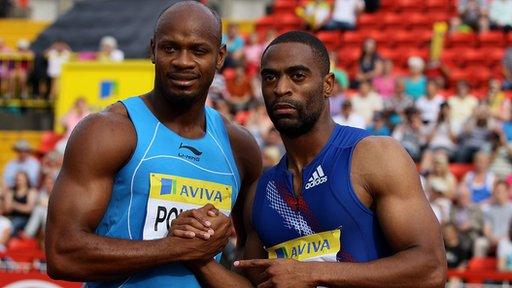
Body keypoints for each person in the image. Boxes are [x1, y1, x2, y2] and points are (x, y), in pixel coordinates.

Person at [172, 31, 446, 287]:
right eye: (270, 77)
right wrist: (197, 256)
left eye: (298, 76)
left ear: (328, 85)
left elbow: (431, 268)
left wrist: (312, 272)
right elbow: (252, 283)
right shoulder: (261, 193)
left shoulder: (374, 156)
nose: (281, 88)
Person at [45, 2, 261, 287]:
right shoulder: (107, 131)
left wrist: (199, 257)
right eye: (170, 48)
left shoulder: (240, 146)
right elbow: (62, 254)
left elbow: (248, 266)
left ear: (220, 56)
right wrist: (178, 248)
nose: (183, 61)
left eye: (198, 50)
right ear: (152, 50)